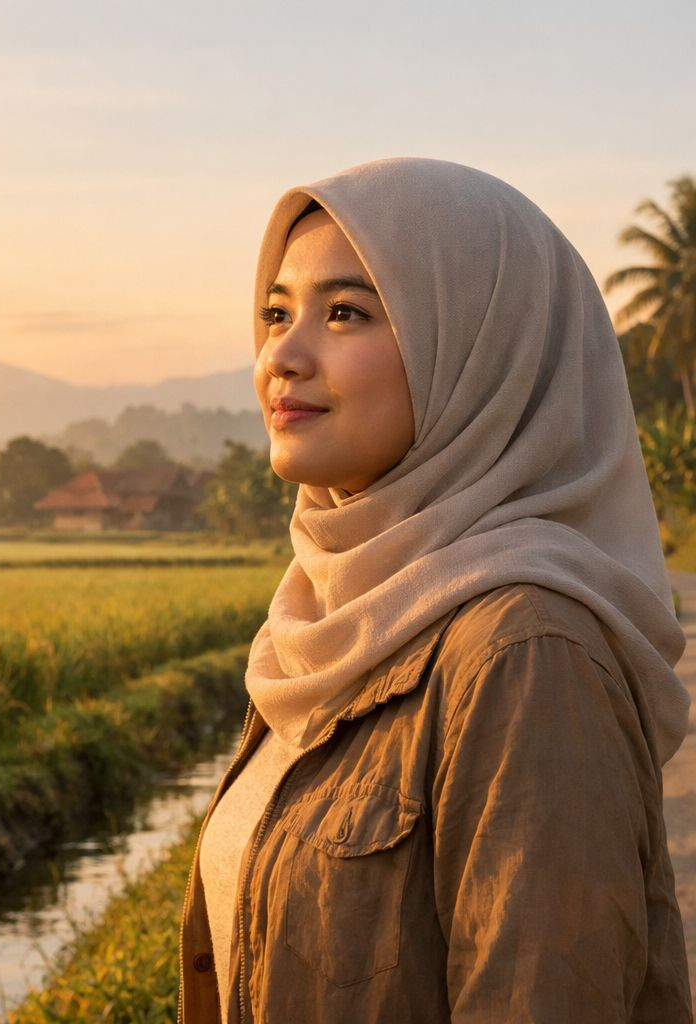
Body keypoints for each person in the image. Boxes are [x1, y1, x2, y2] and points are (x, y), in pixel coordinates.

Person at [177, 157, 693, 1023]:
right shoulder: (325, 620)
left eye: (345, 313)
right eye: (276, 312)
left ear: (482, 350)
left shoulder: (527, 653)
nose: (283, 356)